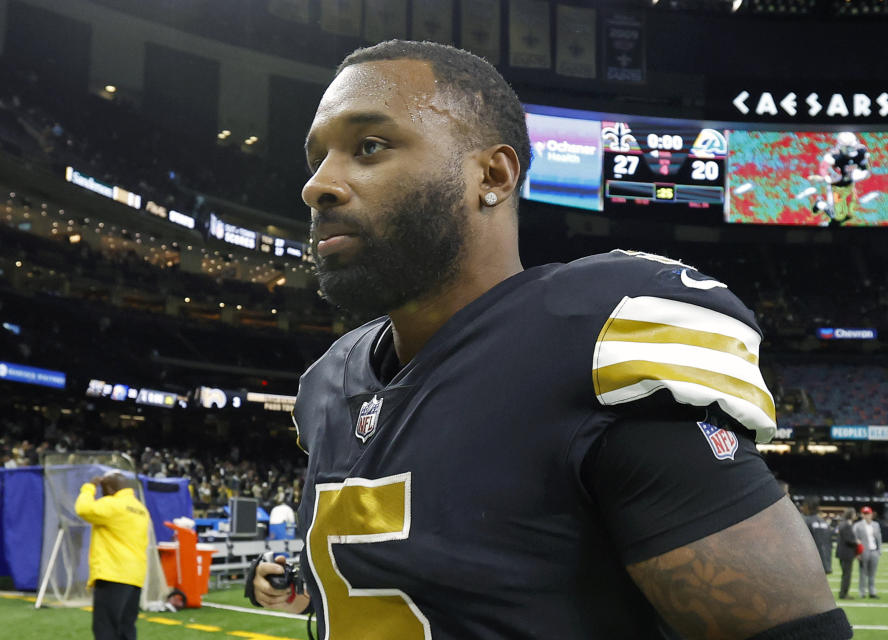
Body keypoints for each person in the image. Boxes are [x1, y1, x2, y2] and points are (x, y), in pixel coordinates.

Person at [247, 40, 849, 639]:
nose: (317, 185)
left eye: (369, 146)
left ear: (493, 174)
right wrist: (306, 579)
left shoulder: (594, 342)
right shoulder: (330, 382)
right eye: (317, 157)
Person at [75, 470, 150, 640]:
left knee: (106, 629)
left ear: (109, 488)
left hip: (113, 573)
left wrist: (89, 488)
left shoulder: (113, 505)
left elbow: (83, 509)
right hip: (135, 576)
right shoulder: (140, 509)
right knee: (126, 628)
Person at [811, 131, 870, 225]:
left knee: (851, 208)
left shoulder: (860, 151)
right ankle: (820, 204)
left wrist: (863, 172)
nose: (852, 150)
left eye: (852, 146)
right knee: (837, 216)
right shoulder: (834, 156)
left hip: (849, 184)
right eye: (849, 147)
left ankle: (839, 212)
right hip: (836, 188)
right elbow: (823, 167)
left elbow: (864, 165)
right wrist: (827, 177)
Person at [853, 505, 882, 598]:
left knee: (872, 573)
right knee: (863, 573)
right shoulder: (857, 525)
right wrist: (857, 553)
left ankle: (872, 592)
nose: (866, 515)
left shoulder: (876, 525)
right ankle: (862, 593)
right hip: (863, 552)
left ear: (871, 514)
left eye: (868, 513)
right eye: (864, 514)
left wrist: (879, 551)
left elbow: (879, 539)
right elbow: (855, 539)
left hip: (874, 551)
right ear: (862, 514)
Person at [802, 495, 833, 573]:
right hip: (824, 563)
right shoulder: (824, 523)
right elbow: (829, 545)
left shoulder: (805, 521)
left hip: (809, 565)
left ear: (807, 506)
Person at [836, 508, 860, 599]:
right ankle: (843, 594)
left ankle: (843, 592)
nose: (855, 515)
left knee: (845, 574)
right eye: (854, 514)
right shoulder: (846, 525)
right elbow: (848, 540)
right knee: (847, 575)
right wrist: (857, 542)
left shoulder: (844, 524)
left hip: (844, 553)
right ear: (850, 514)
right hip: (846, 553)